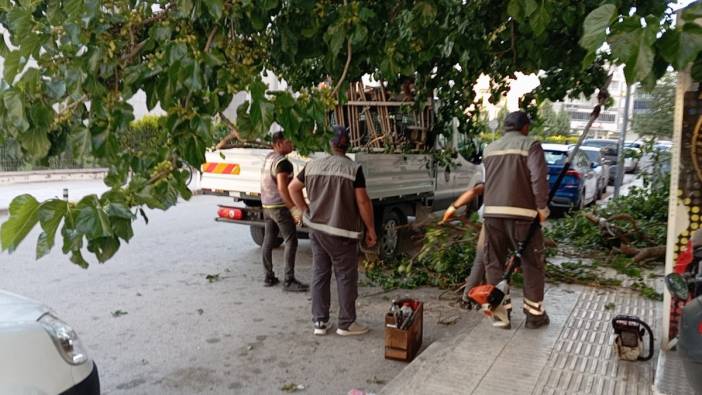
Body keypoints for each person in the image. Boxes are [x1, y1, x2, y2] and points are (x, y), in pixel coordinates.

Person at [288, 126, 378, 336]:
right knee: (346, 276)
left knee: (320, 273)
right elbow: (363, 202)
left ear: (329, 144)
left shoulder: (312, 166)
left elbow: (293, 188)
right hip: (342, 233)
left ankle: (320, 322)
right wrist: (371, 229)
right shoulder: (353, 169)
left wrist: (304, 210)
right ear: (348, 144)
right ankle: (346, 324)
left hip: (317, 230)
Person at [482, 111, 550, 329]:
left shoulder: (489, 149)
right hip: (523, 217)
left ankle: (501, 315)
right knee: (532, 264)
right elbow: (538, 178)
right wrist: (542, 208)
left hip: (492, 214)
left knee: (494, 262)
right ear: (525, 127)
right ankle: (534, 316)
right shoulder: (531, 145)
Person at [259, 131, 308, 292]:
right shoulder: (283, 163)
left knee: (268, 239)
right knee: (291, 240)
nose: (292, 145)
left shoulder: (268, 158)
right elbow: (282, 187)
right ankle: (289, 280)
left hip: (266, 205)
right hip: (279, 207)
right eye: (289, 142)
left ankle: (268, 276)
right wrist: (293, 208)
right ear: (279, 143)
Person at [440, 166, 486, 307]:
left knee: (482, 258)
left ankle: (469, 298)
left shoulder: (495, 166)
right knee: (495, 260)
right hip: (518, 220)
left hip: (493, 218)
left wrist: (453, 207)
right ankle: (483, 297)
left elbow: (474, 190)